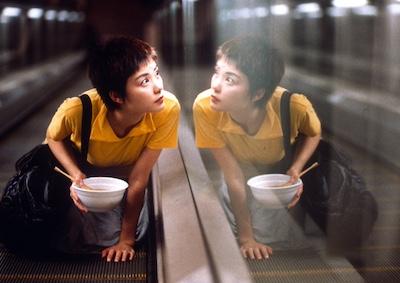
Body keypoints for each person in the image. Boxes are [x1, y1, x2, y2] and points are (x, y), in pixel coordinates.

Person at [46, 36, 180, 262]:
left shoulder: (167, 109)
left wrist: (126, 241)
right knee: (70, 231)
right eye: (144, 82)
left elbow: (139, 179)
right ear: (116, 96)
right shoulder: (77, 110)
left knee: (134, 231)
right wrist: (75, 174)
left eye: (156, 73)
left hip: (124, 180)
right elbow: (53, 138)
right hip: (88, 176)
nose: (159, 86)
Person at [193, 35, 321, 260]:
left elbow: (314, 133)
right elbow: (233, 176)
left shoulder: (294, 106)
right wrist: (246, 238)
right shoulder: (205, 106)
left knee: (269, 235)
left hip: (274, 170)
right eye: (217, 72)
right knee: (240, 227)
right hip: (240, 166)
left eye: (230, 80)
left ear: (258, 94)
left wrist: (296, 167)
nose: (215, 85)